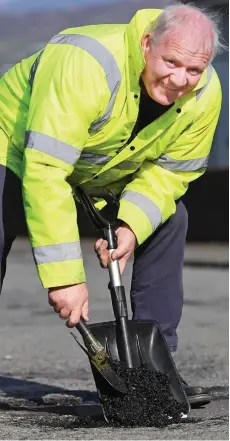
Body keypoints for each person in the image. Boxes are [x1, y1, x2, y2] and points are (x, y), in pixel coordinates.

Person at [0, 2, 224, 407]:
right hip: (16, 152)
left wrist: (131, 226)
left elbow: (172, 173)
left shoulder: (205, 94)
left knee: (170, 220)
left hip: (96, 171)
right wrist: (65, 277)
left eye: (194, 70)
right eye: (171, 62)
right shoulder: (85, 62)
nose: (179, 79)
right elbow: (46, 168)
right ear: (146, 44)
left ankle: (156, 369)